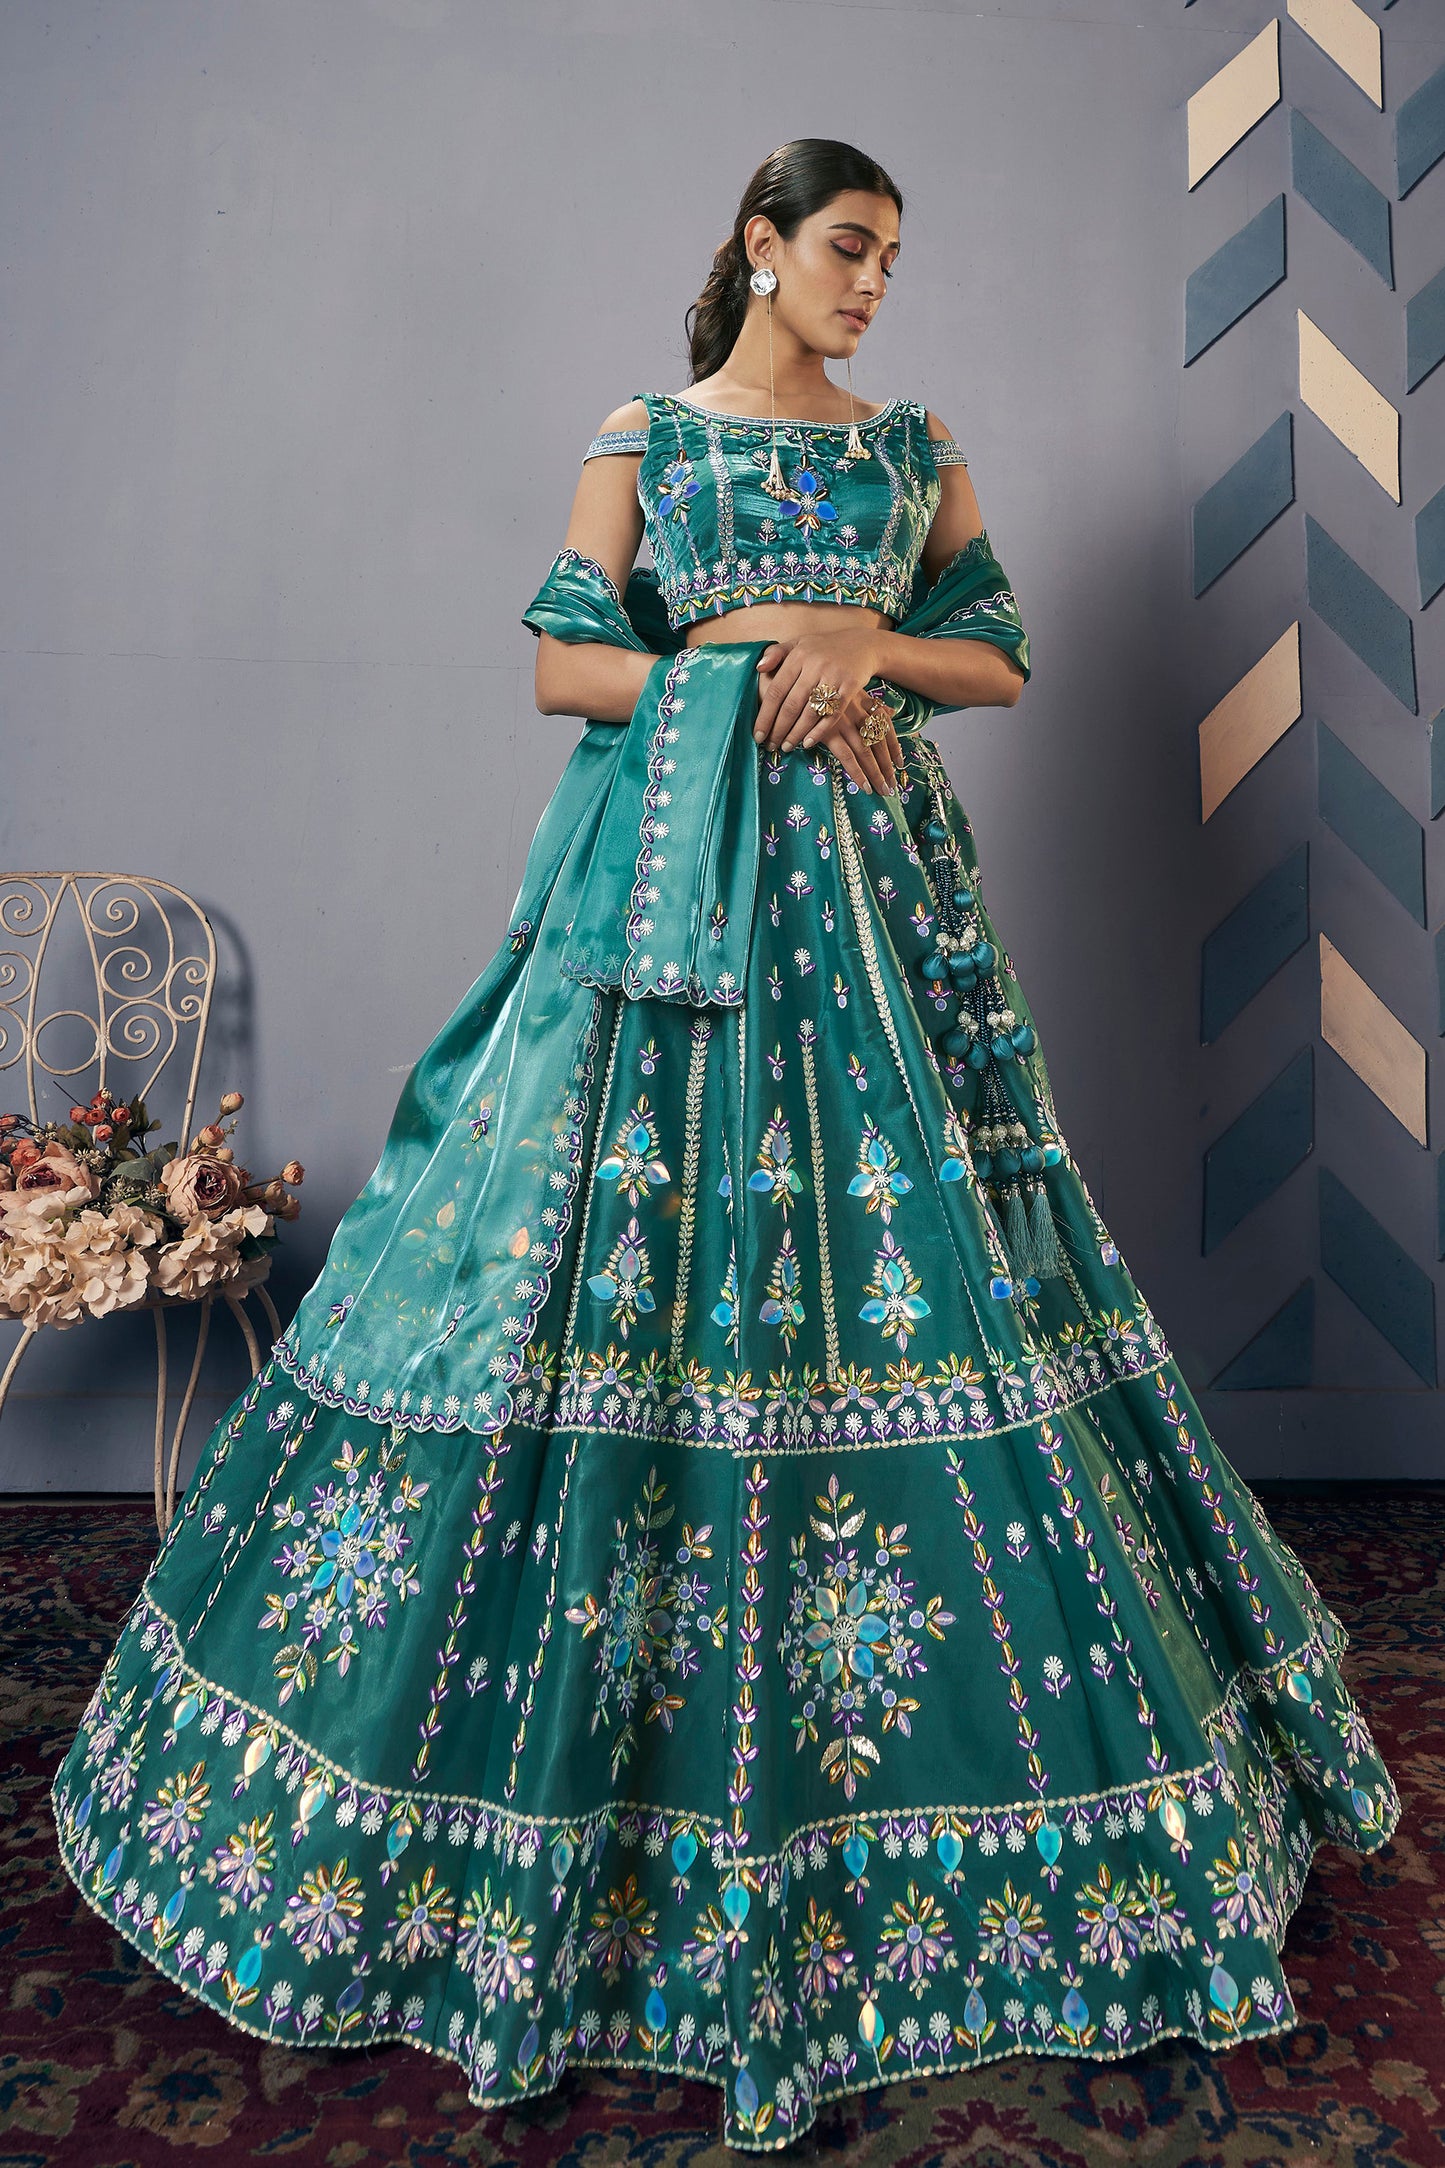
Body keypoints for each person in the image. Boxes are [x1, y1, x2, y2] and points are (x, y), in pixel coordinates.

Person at [51, 138, 1400, 2151]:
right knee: (584, 1273)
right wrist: (744, 670)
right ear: (759, 248)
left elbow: (994, 653)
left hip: (870, 892)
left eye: (892, 260)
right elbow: (563, 662)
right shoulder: (646, 437)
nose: (872, 285)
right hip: (663, 899)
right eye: (846, 249)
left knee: (920, 1267)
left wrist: (869, 653)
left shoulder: (911, 449)